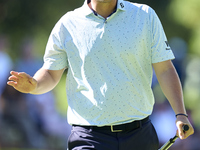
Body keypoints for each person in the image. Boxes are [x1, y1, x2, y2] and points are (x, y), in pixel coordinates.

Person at [7, 0, 194, 149]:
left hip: (139, 135)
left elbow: (165, 69)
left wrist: (180, 114)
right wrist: (35, 85)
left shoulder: (145, 16)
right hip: (89, 138)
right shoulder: (67, 24)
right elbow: (50, 73)